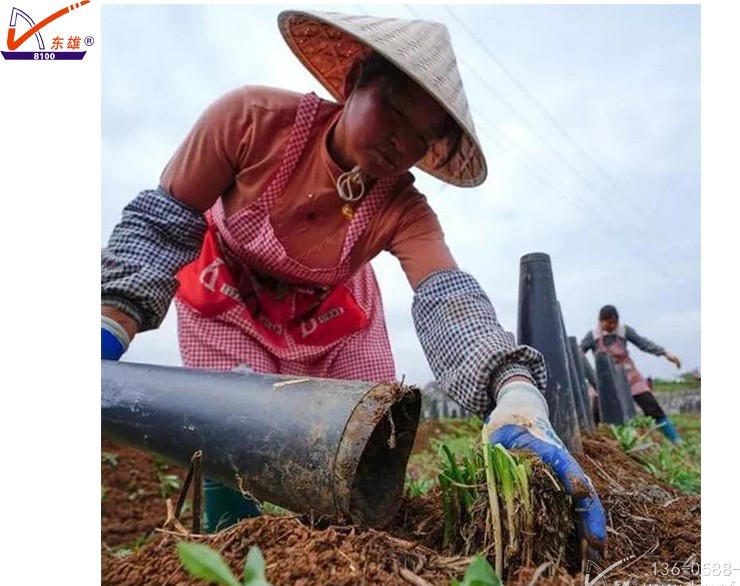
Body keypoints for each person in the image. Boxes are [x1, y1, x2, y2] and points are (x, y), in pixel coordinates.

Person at [100, 9, 606, 557]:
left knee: (361, 443)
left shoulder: (402, 209)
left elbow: (448, 302)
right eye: (391, 109)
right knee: (226, 435)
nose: (398, 141)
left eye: (419, 136)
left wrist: (515, 394)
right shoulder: (250, 121)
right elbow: (161, 226)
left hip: (333, 320)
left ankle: (349, 558)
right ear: (352, 82)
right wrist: (109, 323)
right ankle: (232, 556)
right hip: (231, 304)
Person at [580, 305, 682, 443]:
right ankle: (597, 443)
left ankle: (675, 439)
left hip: (629, 377)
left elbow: (644, 343)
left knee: (651, 407)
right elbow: (579, 353)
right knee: (597, 413)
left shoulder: (624, 331)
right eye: (608, 322)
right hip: (603, 381)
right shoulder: (593, 336)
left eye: (614, 322)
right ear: (600, 321)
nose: (611, 326)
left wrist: (665, 353)